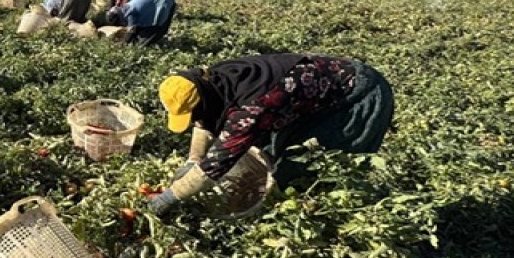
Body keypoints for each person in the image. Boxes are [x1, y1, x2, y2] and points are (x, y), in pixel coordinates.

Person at [150, 53, 394, 213]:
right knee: (281, 149)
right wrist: (193, 158)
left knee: (323, 166)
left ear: (202, 98)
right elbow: (204, 119)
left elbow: (217, 163)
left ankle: (333, 211)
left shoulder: (252, 108)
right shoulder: (210, 80)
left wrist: (170, 197)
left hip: (356, 97)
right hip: (309, 98)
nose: (196, 120)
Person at [106, 0, 176, 45]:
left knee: (156, 30)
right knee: (145, 33)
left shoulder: (128, 13)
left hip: (163, 3)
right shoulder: (126, 8)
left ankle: (159, 43)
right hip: (165, 0)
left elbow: (132, 31)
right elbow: (136, 28)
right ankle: (159, 41)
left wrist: (123, 44)